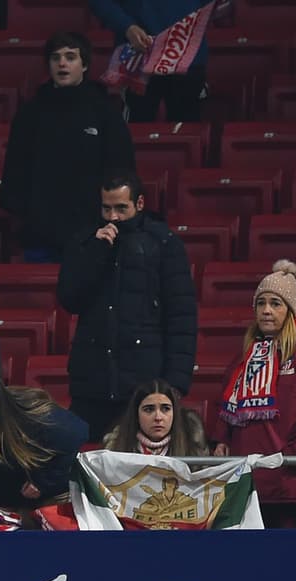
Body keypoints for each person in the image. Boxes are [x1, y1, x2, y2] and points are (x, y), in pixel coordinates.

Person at [58, 170, 197, 441]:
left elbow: (182, 317)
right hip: (92, 382)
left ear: (140, 204)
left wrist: (175, 383)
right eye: (107, 208)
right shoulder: (85, 242)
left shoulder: (164, 244)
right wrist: (97, 254)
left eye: (121, 208)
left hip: (143, 384)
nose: (113, 217)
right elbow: (69, 299)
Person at [0, 31, 137, 263]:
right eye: (56, 58)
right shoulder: (30, 113)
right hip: (40, 231)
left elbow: (121, 169)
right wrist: (27, 214)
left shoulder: (104, 112)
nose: (62, 63)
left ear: (84, 65)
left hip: (93, 230)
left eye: (70, 57)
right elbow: (16, 170)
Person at [209, 261, 296, 528]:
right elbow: (225, 410)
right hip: (249, 489)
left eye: (275, 303)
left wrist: (288, 458)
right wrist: (221, 440)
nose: (266, 310)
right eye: (260, 303)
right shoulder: (243, 358)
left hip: (295, 490)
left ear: (291, 311)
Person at [0, 368, 88, 517]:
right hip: (8, 501)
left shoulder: (28, 418)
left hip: (51, 496)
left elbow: (79, 430)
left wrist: (44, 481)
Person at [89, 0, 213, 122]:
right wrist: (127, 26)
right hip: (138, 55)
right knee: (137, 128)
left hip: (187, 53)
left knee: (187, 130)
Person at [104, 379, 207, 456]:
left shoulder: (192, 444)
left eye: (165, 409)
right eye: (149, 410)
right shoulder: (115, 446)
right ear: (136, 414)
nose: (158, 417)